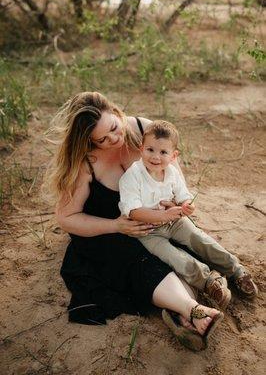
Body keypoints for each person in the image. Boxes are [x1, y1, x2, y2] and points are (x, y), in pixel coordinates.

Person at [45, 92, 233, 351]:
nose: (114, 138)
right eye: (102, 139)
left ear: (115, 111)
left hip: (155, 219)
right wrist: (116, 225)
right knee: (137, 259)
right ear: (89, 141)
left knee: (183, 249)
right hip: (108, 227)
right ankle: (193, 310)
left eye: (113, 127)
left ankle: (180, 316)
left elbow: (172, 172)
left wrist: (173, 202)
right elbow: (66, 218)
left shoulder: (145, 130)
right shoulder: (86, 163)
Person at [119, 120, 258, 310]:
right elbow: (134, 212)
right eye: (150, 150)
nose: (155, 157)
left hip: (174, 222)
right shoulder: (132, 176)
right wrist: (165, 216)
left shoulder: (172, 173)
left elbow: (185, 197)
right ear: (141, 148)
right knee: (173, 257)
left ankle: (235, 270)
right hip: (147, 231)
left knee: (199, 239)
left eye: (163, 152)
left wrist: (187, 206)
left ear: (173, 155)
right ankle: (208, 282)